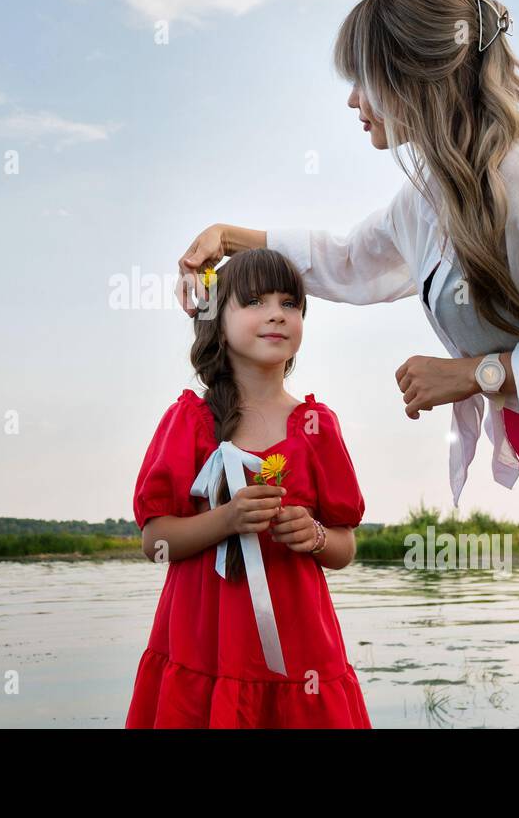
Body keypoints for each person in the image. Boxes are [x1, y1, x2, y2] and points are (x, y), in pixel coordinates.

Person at [174, 0, 519, 728]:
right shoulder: (434, 188)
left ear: (410, 75)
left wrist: (475, 374)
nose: (353, 101)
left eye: (362, 79)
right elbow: (350, 257)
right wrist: (233, 238)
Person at [125, 248, 372, 728]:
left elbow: (344, 546)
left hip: (300, 648)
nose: (277, 313)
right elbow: (154, 542)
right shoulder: (189, 422)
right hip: (206, 644)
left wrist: (315, 535)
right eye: (255, 300)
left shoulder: (317, 427)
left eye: (290, 303)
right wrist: (228, 519)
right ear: (218, 320)